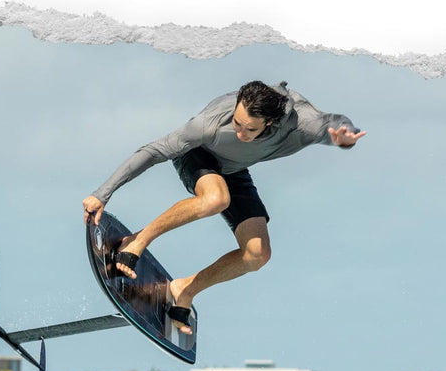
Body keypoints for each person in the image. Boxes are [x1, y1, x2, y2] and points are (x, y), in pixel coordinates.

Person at [81, 80, 365, 335]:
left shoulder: (302, 123)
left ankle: (183, 290)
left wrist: (345, 136)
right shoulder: (210, 124)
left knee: (257, 254)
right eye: (237, 123)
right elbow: (154, 151)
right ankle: (137, 241)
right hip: (198, 156)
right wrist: (102, 194)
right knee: (216, 198)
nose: (239, 130)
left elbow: (335, 123)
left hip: (234, 170)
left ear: (271, 123)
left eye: (249, 128)